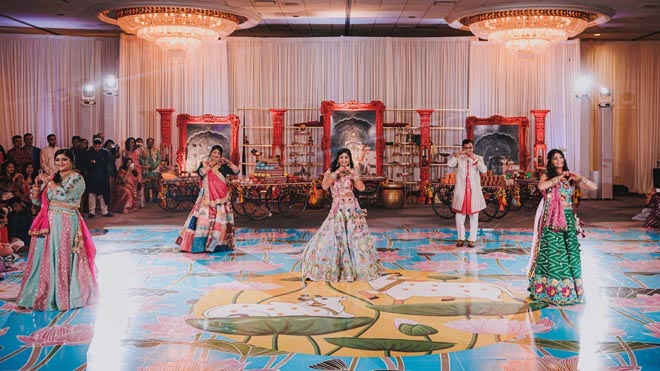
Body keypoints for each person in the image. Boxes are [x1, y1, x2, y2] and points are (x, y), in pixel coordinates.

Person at [16, 149, 98, 310]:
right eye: (58, 160)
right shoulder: (54, 177)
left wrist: (49, 182)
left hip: (66, 221)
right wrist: (37, 188)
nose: (60, 163)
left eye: (64, 160)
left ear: (71, 162)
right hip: (48, 221)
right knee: (45, 256)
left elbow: (63, 195)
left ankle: (65, 296)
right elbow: (38, 203)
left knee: (62, 255)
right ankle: (43, 293)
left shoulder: (77, 178)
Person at [301, 148, 385, 282]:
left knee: (356, 238)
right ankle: (334, 269)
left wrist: (355, 176)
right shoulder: (331, 172)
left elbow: (361, 188)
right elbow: (324, 186)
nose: (344, 160)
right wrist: (336, 174)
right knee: (334, 237)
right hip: (338, 208)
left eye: (346, 158)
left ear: (349, 159)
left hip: (352, 208)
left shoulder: (353, 171)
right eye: (341, 158)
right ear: (338, 159)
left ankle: (359, 269)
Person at [527, 149, 597, 305]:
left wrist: (579, 178)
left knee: (570, 254)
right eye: (555, 158)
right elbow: (541, 187)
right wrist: (558, 178)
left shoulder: (570, 177)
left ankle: (570, 291)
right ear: (550, 162)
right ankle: (548, 291)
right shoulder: (548, 175)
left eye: (561, 158)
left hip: (568, 220)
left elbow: (593, 187)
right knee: (553, 254)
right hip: (551, 221)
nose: (558, 161)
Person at [176, 145, 239, 253]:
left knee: (221, 223)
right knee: (203, 221)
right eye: (214, 153)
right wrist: (212, 164)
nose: (216, 155)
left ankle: (217, 245)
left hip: (221, 198)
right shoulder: (204, 164)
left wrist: (228, 162)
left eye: (219, 154)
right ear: (210, 154)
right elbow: (201, 173)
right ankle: (200, 245)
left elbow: (236, 171)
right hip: (206, 198)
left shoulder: (223, 167)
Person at [447, 139, 487, 248]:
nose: (468, 150)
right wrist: (458, 154)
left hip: (474, 191)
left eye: (470, 148)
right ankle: (460, 238)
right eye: (466, 148)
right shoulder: (459, 158)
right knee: (459, 215)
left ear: (473, 148)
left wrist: (475, 159)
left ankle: (472, 239)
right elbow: (450, 164)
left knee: (474, 215)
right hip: (461, 191)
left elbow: (484, 170)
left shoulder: (478, 158)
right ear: (463, 148)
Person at [84, 138, 113, 218]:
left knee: (103, 194)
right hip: (92, 177)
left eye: (98, 146)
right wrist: (97, 162)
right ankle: (91, 212)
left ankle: (105, 211)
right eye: (95, 146)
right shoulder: (89, 153)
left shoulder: (105, 152)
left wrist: (94, 162)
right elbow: (88, 164)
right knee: (91, 194)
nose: (97, 148)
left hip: (103, 176)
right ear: (93, 145)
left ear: (101, 145)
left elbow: (105, 163)